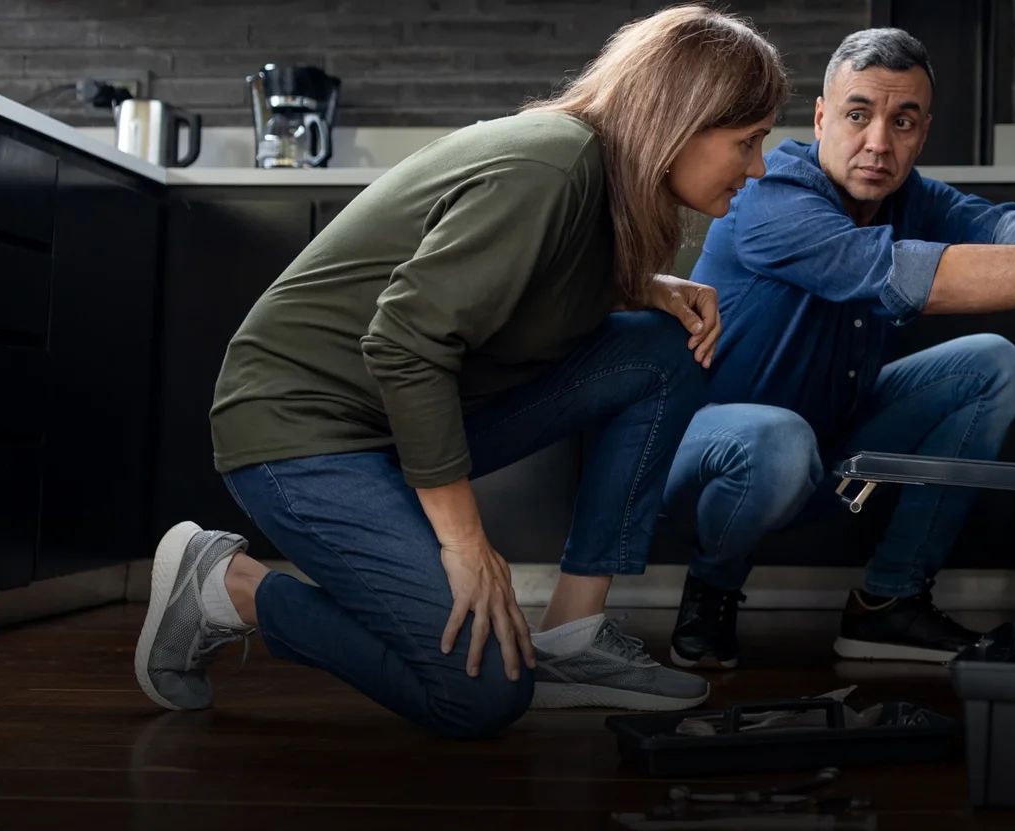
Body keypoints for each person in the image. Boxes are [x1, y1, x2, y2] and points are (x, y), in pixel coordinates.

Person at [131, 5, 791, 738]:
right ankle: (228, 587)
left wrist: (643, 285)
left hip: (385, 418)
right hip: (300, 428)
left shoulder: (599, 182)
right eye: (747, 141)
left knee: (665, 350)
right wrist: (466, 544)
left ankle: (571, 638)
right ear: (680, 120)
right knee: (481, 694)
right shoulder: (554, 164)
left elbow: (518, 289)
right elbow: (405, 344)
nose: (758, 166)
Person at [663, 27, 1015, 669]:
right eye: (859, 115)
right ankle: (711, 586)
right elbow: (906, 277)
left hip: (828, 442)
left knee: (989, 363)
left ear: (923, 131)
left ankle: (888, 605)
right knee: (776, 435)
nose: (879, 143)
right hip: (711, 457)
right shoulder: (771, 199)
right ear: (822, 118)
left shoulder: (908, 198)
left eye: (902, 121)